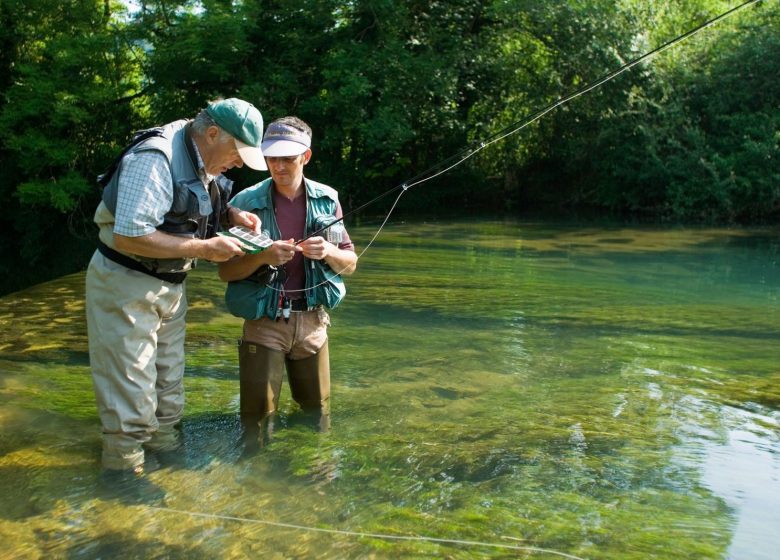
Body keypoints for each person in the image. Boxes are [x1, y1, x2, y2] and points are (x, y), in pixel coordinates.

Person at [86, 98, 266, 497]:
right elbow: (129, 234)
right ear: (214, 133)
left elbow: (194, 206)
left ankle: (164, 448)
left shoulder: (204, 153)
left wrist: (231, 216)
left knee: (168, 380)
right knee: (129, 381)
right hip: (126, 280)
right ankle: (122, 470)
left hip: (170, 284)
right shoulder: (155, 157)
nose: (238, 164)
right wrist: (204, 250)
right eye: (238, 153)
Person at [218, 116, 357, 449]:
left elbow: (350, 264)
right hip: (264, 322)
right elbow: (226, 273)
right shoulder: (243, 203)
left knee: (316, 415)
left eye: (287, 158)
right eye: (272, 158)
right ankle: (257, 486)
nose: (278, 166)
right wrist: (261, 257)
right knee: (256, 421)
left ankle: (310, 483)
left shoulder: (327, 200)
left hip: (312, 323)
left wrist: (327, 252)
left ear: (305, 157)